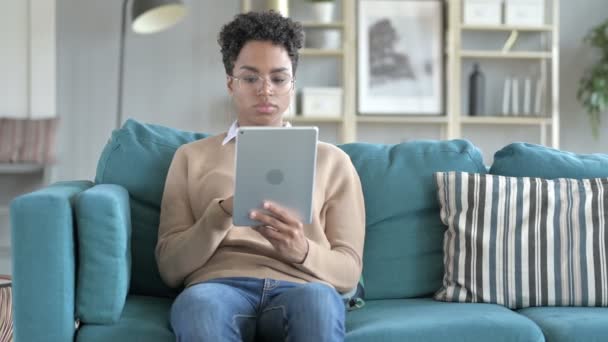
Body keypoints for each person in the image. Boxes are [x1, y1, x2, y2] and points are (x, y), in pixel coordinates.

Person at [155, 10, 365, 342]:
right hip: (218, 286)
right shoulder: (190, 158)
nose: (265, 90)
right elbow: (170, 268)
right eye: (250, 78)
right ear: (230, 83)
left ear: (292, 84)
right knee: (201, 307)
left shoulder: (333, 161)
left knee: (318, 304)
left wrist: (301, 250)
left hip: (303, 285)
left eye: (279, 78)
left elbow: (349, 272)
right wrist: (221, 214)